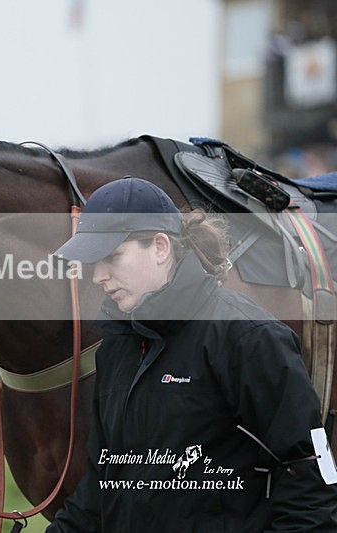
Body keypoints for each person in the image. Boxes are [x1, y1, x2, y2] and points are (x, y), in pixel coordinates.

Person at [48, 177, 337, 532]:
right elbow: (97, 491)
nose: (98, 277)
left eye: (112, 257)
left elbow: (311, 484)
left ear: (159, 246)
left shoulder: (249, 339)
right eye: (94, 262)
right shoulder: (116, 350)